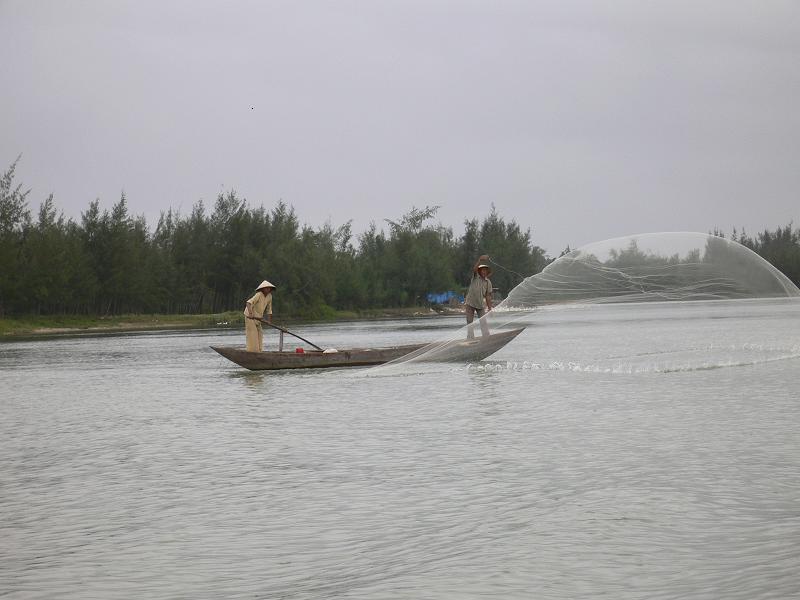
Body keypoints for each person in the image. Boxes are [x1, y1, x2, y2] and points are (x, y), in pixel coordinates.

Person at [465, 255, 492, 338]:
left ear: (487, 272)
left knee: (483, 322)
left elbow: (488, 296)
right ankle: (470, 338)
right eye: (482, 270)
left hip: (480, 305)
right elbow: (474, 269)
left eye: (485, 270)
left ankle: (486, 337)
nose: (484, 272)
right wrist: (479, 259)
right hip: (470, 303)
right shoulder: (476, 277)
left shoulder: (488, 282)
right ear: (480, 271)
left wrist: (490, 308)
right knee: (470, 322)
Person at [244, 280, 276, 352]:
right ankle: (252, 351)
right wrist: (251, 314)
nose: (268, 289)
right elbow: (248, 303)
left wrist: (269, 321)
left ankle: (259, 351)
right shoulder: (259, 294)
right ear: (262, 289)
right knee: (253, 334)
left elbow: (269, 310)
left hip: (258, 318)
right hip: (250, 316)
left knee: (260, 333)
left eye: (269, 288)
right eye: (266, 288)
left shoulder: (269, 296)